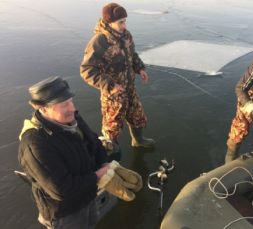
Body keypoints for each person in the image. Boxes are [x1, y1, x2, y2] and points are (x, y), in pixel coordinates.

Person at [18, 76, 142, 229]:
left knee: (91, 223)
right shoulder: (35, 144)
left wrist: (105, 164)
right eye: (64, 104)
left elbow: (93, 141)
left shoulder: (71, 117)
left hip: (88, 195)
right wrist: (99, 175)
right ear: (43, 109)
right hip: (66, 213)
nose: (72, 108)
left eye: (71, 101)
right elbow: (62, 190)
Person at [80, 2, 155, 152]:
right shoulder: (100, 41)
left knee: (137, 116)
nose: (124, 25)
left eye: (125, 21)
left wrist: (139, 68)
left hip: (129, 88)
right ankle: (112, 151)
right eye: (121, 22)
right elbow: (87, 70)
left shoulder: (126, 35)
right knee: (112, 125)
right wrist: (111, 86)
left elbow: (132, 55)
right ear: (109, 22)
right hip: (113, 94)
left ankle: (138, 140)